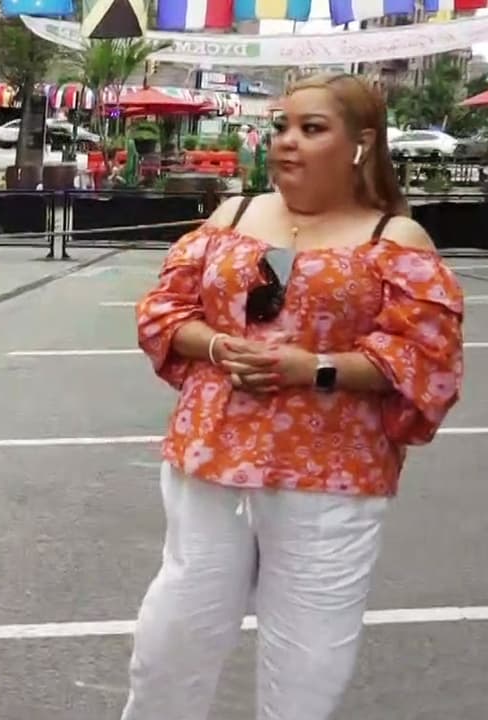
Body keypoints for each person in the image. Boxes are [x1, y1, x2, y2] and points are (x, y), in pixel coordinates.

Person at [123, 73, 463, 720]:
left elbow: (426, 359)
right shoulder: (233, 216)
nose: (287, 141)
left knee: (307, 667)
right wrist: (219, 347)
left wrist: (315, 369)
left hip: (330, 475)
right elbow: (163, 310)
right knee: (169, 646)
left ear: (361, 144)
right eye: (281, 126)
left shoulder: (392, 238)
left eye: (312, 129)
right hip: (210, 459)